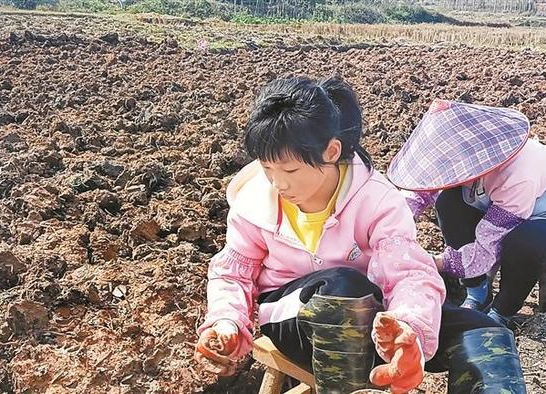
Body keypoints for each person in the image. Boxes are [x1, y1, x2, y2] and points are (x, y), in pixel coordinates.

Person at [194, 77, 526, 393]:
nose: (279, 184)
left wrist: (406, 327)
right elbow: (232, 273)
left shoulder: (376, 199)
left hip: (368, 316)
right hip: (293, 319)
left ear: (330, 152)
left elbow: (409, 271)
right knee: (343, 288)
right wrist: (226, 321)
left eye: (290, 170)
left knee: (485, 331)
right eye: (268, 169)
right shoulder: (254, 203)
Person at [388, 99, 546, 326]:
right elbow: (419, 193)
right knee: (448, 201)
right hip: (495, 209)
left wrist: (434, 262)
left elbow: (486, 249)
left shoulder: (519, 172)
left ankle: (502, 312)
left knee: (524, 242)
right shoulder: (464, 158)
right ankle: (477, 292)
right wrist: (390, 230)